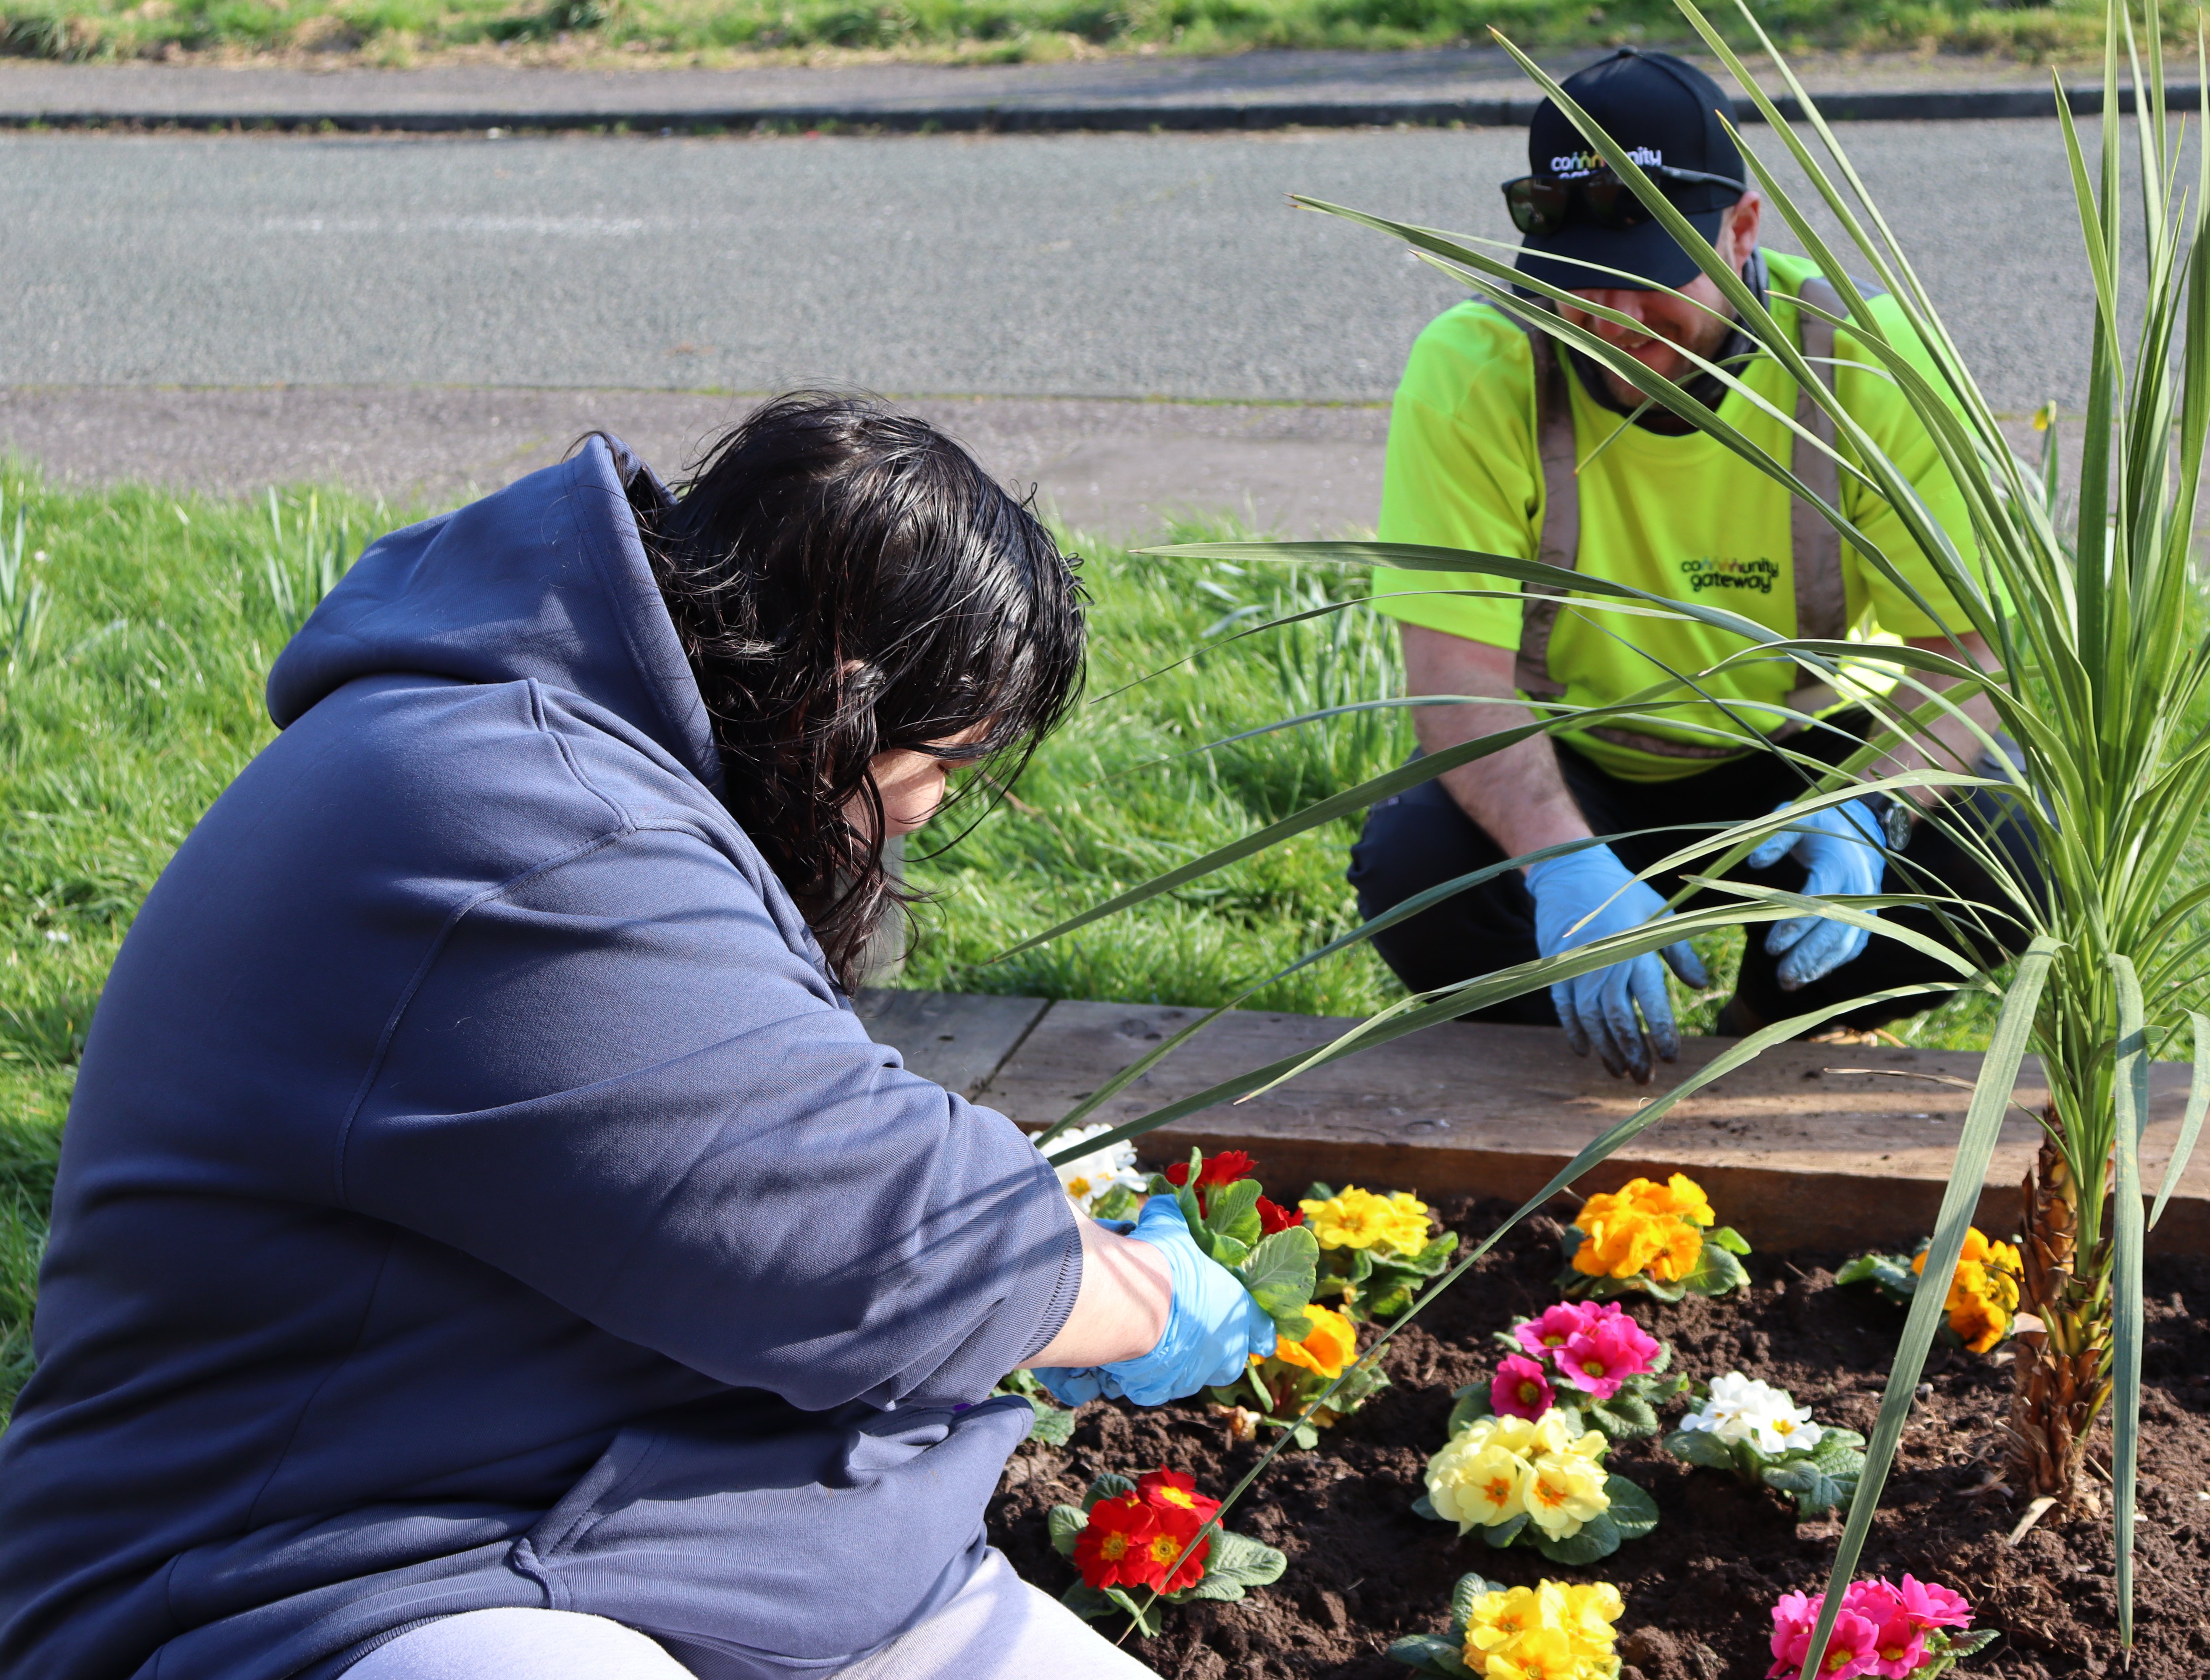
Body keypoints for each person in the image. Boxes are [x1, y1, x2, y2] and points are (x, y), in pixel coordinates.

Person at [0, 396, 1272, 1680]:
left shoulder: (582, 765)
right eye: (936, 773)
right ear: (845, 700)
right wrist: (1140, 1300)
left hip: (623, 1521)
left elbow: (756, 1137)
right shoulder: (521, 818)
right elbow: (858, 1233)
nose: (921, 824)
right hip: (316, 1575)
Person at [1348, 48, 2042, 1081]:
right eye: (1585, 291)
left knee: (2005, 849)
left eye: (1653, 286)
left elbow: (1966, 650)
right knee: (1417, 866)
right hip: (1583, 760)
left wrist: (1868, 807)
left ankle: (1776, 1018)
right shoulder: (1475, 366)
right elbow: (1454, 676)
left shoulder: (1869, 361)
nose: (1619, 330)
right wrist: (1562, 861)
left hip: (1806, 757)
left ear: (1743, 230)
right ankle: (1578, 1055)